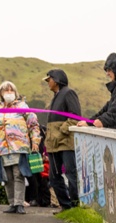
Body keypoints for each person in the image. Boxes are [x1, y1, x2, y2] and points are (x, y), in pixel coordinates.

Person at [0, 81, 41, 215]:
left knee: (18, 174)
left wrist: (35, 142)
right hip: (1, 148)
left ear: (15, 92)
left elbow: (33, 125)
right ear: (1, 93)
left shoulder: (22, 106)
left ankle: (19, 203)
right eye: (6, 91)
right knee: (7, 176)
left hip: (19, 147)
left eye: (11, 90)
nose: (9, 93)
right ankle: (12, 203)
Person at [43, 68, 80, 212]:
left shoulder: (68, 93)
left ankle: (76, 206)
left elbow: (75, 116)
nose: (48, 83)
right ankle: (66, 206)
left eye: (49, 79)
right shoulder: (55, 97)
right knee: (54, 177)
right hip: (54, 145)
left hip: (65, 143)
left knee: (71, 174)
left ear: (56, 79)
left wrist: (62, 132)